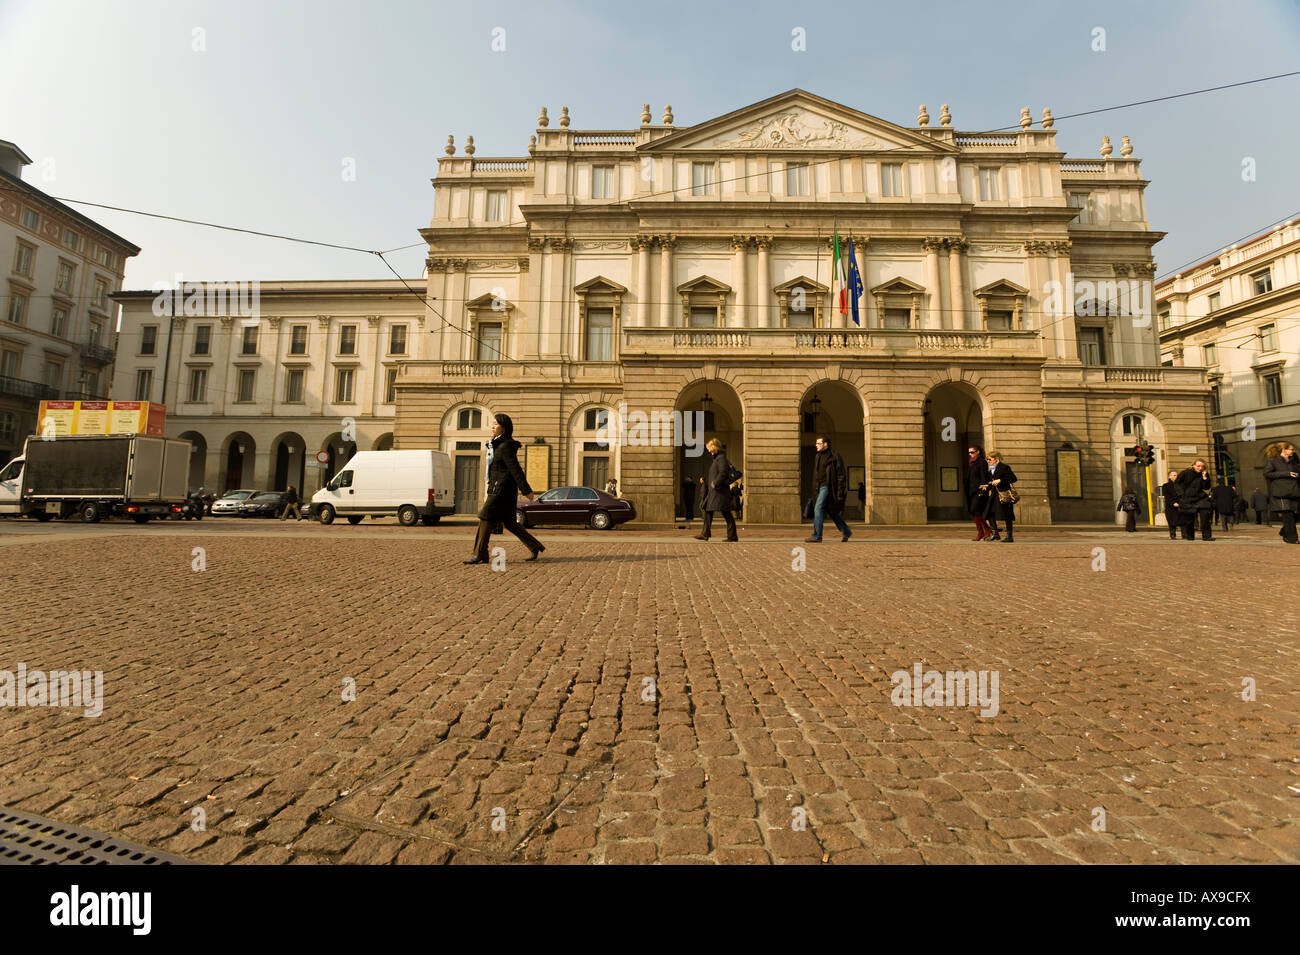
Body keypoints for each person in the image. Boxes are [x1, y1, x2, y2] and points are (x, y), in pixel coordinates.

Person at [464, 413, 545, 564]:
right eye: (492, 424)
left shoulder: (506, 446)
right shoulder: (497, 445)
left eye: (495, 424)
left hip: (501, 491)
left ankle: (480, 553)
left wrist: (526, 490)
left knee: (485, 517)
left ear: (504, 427)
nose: (492, 427)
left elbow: (515, 469)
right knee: (510, 523)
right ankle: (535, 546)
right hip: (499, 489)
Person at [805, 436, 852, 543]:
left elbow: (841, 475)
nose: (816, 445)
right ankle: (846, 531)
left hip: (829, 487)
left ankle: (817, 535)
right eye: (816, 443)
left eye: (818, 443)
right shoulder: (817, 456)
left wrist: (840, 492)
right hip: (819, 488)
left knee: (818, 509)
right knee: (833, 512)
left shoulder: (835, 456)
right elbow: (816, 475)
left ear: (825, 444)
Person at [695, 438, 739, 542]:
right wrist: (706, 480)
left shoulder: (721, 459)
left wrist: (715, 483)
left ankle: (731, 536)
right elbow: (716, 474)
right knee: (709, 511)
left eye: (709, 448)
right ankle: (706, 534)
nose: (709, 451)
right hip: (716, 492)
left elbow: (723, 473)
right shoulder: (717, 459)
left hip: (719, 492)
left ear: (715, 447)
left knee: (725, 513)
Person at [1263, 441, 1300, 544]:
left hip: (1293, 491)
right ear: (1284, 450)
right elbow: (1267, 473)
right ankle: (1292, 538)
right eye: (1291, 449)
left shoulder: (1293, 461)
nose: (1293, 451)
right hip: (1281, 492)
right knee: (1288, 515)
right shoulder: (1273, 461)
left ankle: (1285, 531)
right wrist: (1287, 473)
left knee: (1295, 514)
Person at [983, 451, 1018, 543]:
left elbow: (1013, 478)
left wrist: (1000, 480)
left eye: (989, 459)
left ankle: (1009, 536)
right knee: (988, 513)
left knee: (1007, 515)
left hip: (1004, 494)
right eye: (987, 459)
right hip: (994, 495)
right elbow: (992, 482)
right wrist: (987, 486)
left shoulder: (1004, 467)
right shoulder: (991, 469)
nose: (988, 461)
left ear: (996, 459)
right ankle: (995, 534)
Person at [1174, 459, 1212, 541]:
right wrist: (1181, 494)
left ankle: (1207, 536)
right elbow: (1177, 483)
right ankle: (1190, 536)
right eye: (1198, 466)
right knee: (1189, 519)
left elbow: (1206, 487)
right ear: (1193, 465)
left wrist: (1205, 478)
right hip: (1188, 498)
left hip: (1201, 498)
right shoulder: (1185, 473)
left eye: (1202, 466)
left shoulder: (1204, 474)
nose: (1200, 468)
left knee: (1205, 514)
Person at [964, 445, 993, 541]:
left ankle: (986, 530)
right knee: (974, 511)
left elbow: (983, 476)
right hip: (971, 491)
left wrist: (983, 490)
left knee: (976, 510)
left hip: (978, 490)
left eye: (972, 452)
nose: (970, 454)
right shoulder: (972, 463)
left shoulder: (982, 462)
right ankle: (981, 531)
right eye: (969, 452)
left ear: (978, 452)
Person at [1160, 470, 1181, 540]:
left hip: (1180, 505)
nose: (1176, 477)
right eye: (1174, 475)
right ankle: (1172, 534)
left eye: (1176, 475)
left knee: (1182, 520)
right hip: (1170, 506)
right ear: (1170, 476)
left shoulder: (1180, 485)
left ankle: (1185, 534)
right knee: (1171, 521)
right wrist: (1173, 502)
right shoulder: (1166, 486)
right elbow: (1166, 496)